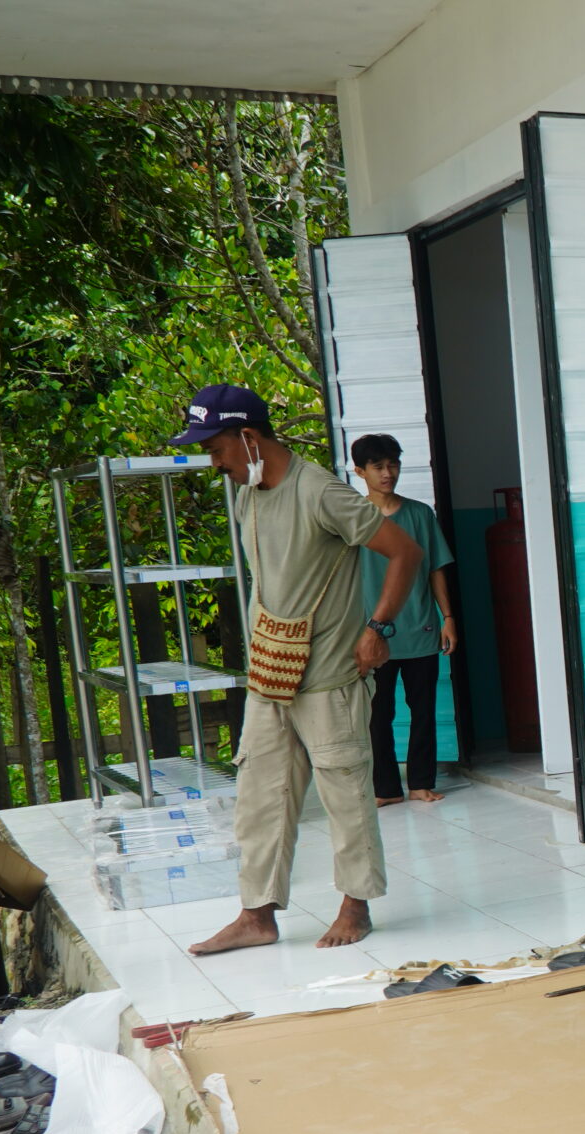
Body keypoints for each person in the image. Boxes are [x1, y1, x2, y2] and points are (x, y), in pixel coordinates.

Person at [178, 386, 423, 954]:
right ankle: (256, 915)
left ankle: (355, 906)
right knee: (258, 796)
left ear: (248, 437)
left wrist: (378, 628)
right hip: (271, 676)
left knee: (346, 793)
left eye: (215, 449)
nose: (213, 463)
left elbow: (405, 553)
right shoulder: (248, 494)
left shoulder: (320, 491)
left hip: (330, 676)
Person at [348, 433, 459, 805]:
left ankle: (420, 782)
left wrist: (447, 617)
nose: (387, 473)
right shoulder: (352, 518)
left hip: (420, 625)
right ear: (359, 471)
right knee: (377, 714)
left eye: (393, 464)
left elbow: (436, 568)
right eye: (378, 466)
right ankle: (385, 789)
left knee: (423, 709)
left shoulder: (419, 514)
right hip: (370, 633)